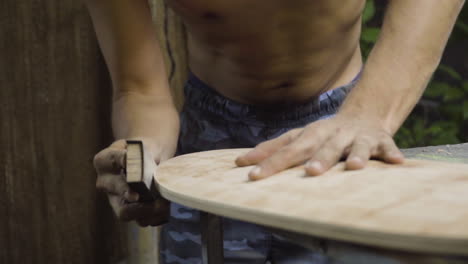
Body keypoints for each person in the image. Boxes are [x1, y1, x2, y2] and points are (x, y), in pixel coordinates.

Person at [87, 0, 465, 263]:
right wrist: (142, 155)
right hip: (210, 138)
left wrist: (370, 114)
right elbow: (140, 89)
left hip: (344, 124)